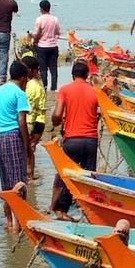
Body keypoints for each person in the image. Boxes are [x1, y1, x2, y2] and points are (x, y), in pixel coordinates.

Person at [50, 59, 100, 216]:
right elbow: (100, 112)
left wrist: (55, 121)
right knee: (88, 176)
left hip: (72, 139)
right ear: (87, 75)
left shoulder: (65, 90)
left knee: (67, 175)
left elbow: (57, 115)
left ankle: (61, 210)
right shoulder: (95, 91)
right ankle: (88, 209)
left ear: (72, 75)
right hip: (91, 139)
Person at [0, 60, 31, 232]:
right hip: (13, 136)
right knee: (19, 183)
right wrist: (27, 144)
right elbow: (22, 121)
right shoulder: (19, 93)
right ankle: (18, 224)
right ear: (23, 78)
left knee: (6, 183)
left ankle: (8, 221)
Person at [22, 56, 47, 181]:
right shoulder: (37, 83)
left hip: (31, 122)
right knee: (30, 149)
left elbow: (27, 106)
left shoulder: (31, 85)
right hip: (39, 121)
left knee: (28, 151)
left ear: (31, 70)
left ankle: (29, 176)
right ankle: (30, 175)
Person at [32, 0, 61, 90]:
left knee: (43, 68)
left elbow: (37, 34)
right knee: (53, 68)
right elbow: (57, 32)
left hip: (41, 46)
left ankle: (44, 87)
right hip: (53, 46)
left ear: (41, 9)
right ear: (49, 8)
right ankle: (54, 87)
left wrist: (32, 37)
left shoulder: (39, 19)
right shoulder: (55, 19)